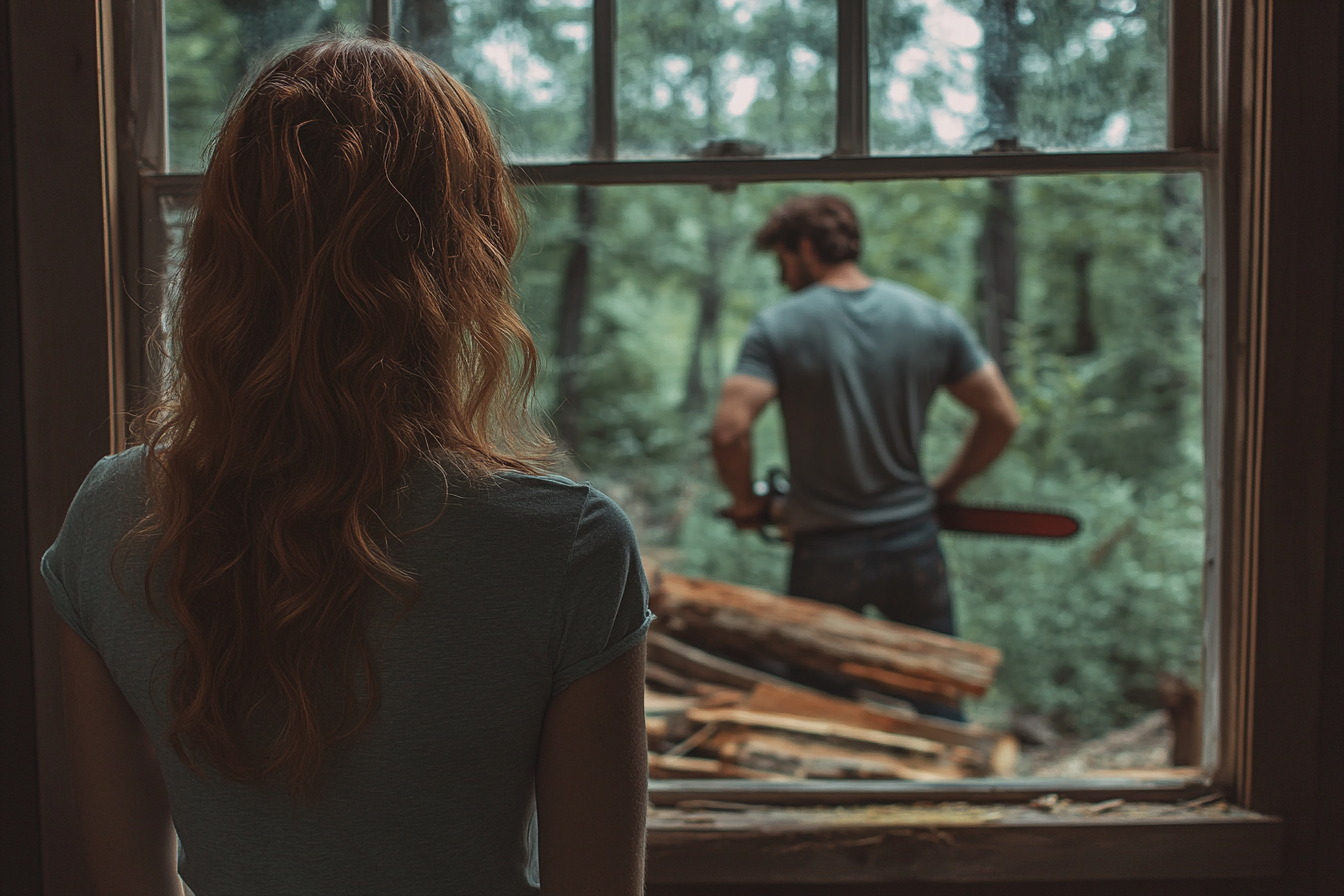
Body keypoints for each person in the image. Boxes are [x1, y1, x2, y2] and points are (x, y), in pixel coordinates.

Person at [42, 38, 650, 896]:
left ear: (226, 242)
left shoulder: (110, 515)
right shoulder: (570, 545)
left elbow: (125, 882)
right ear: (463, 250)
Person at [710, 194, 1019, 720]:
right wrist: (947, 487)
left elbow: (729, 431)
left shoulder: (776, 327)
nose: (783, 277)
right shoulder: (931, 318)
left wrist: (745, 504)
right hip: (913, 542)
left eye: (783, 260)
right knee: (936, 695)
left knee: (822, 714)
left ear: (806, 248)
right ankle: (952, 793)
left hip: (823, 552)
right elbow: (1002, 417)